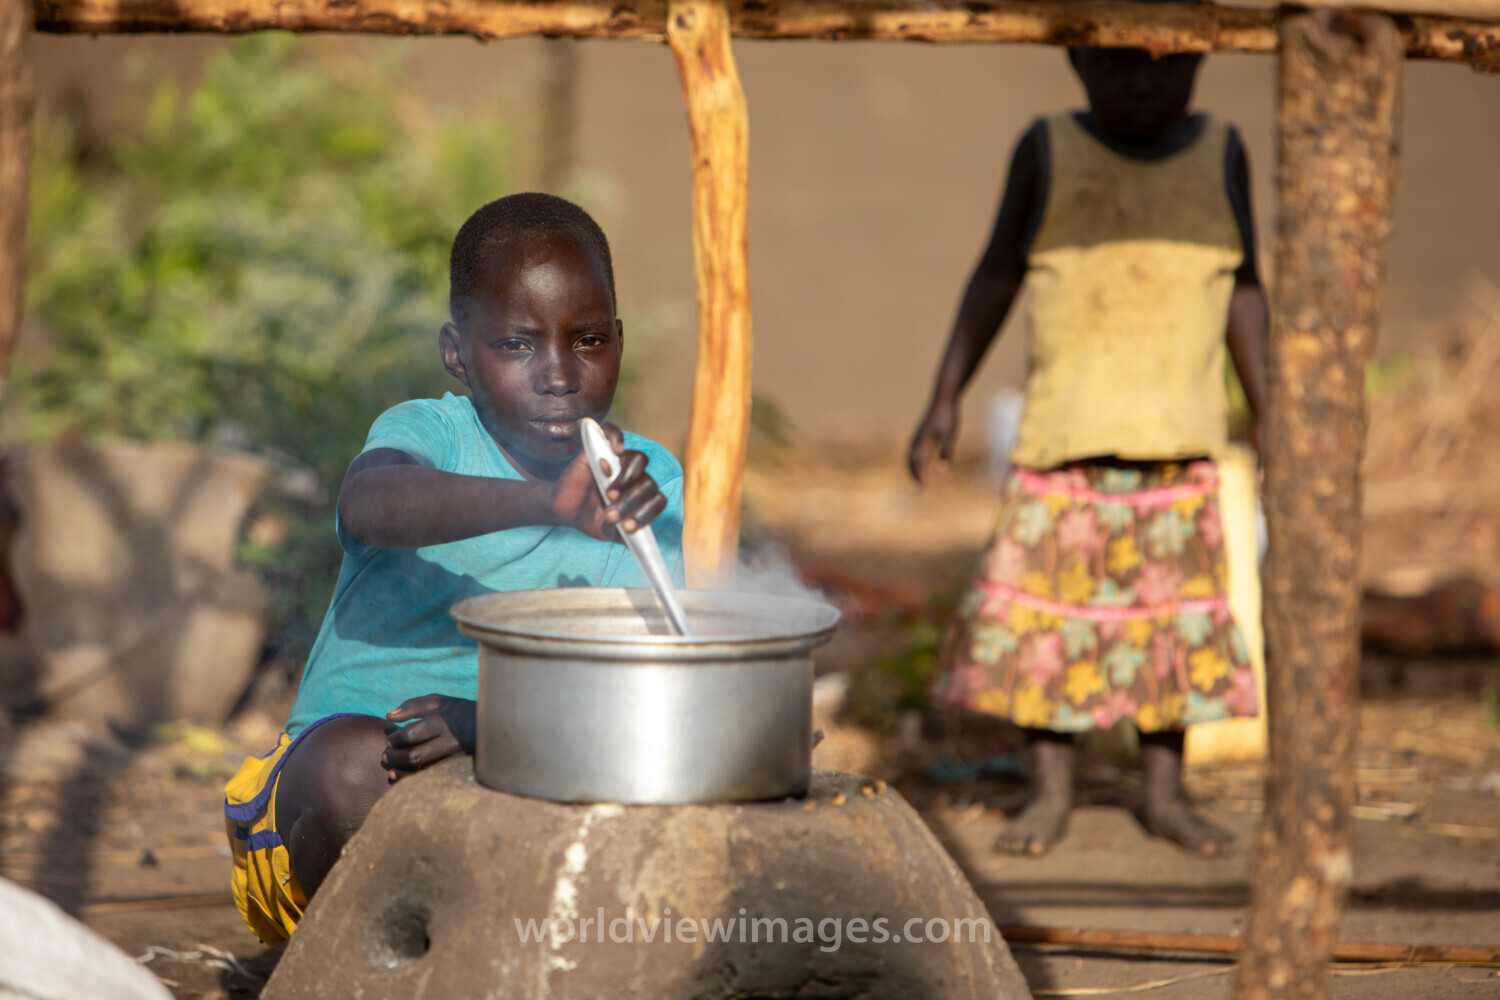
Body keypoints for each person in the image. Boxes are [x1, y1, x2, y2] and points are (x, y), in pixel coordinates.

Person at [223, 193, 685, 943]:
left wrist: (495, 726)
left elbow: (653, 680)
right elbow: (370, 503)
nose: (559, 374)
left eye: (589, 340)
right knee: (353, 770)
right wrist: (547, 503)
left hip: (522, 798)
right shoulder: (429, 434)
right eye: (517, 345)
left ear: (620, 345)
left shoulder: (647, 484)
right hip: (337, 817)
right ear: (456, 353)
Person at [908, 45, 1267, 856]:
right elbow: (996, 275)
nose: (1144, 80)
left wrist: (1268, 408)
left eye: (1166, 65)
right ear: (1076, 59)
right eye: (1118, 63)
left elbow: (1245, 284)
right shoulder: (1047, 150)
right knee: (1045, 628)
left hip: (1177, 445)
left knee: (1168, 634)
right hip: (1064, 443)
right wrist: (944, 396)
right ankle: (1050, 792)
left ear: (1203, 57)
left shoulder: (1222, 153)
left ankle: (1165, 795)